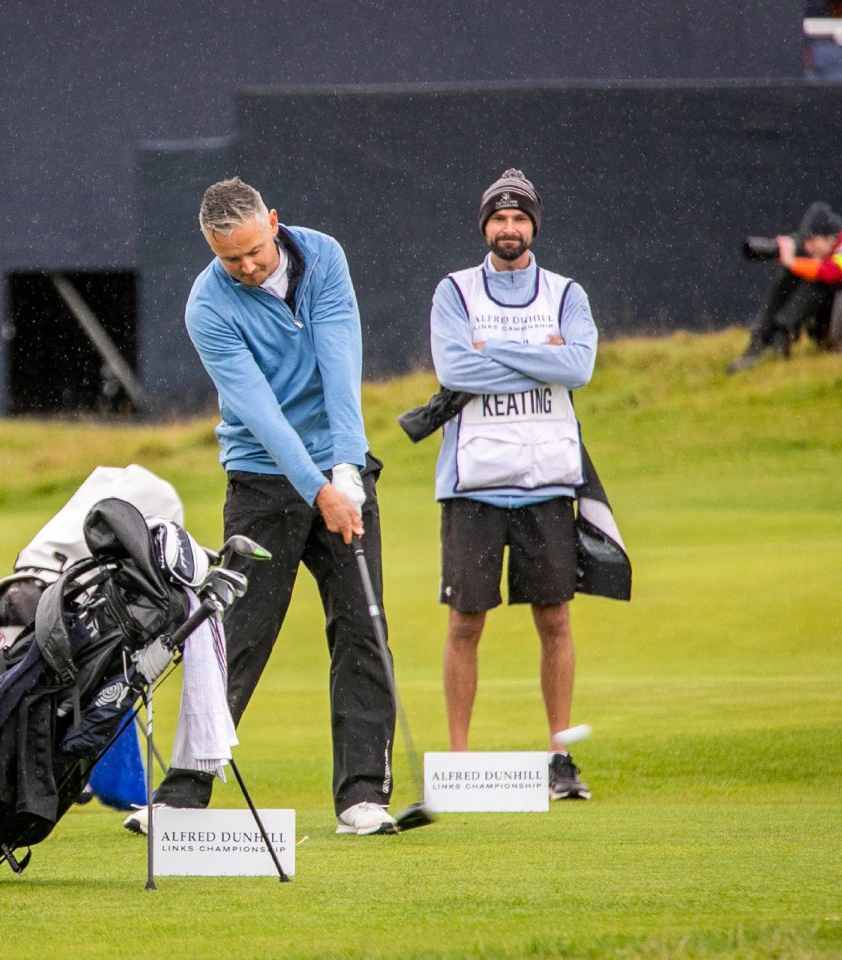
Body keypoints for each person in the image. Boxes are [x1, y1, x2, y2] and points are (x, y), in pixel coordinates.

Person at [123, 177, 398, 836]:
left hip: (338, 468)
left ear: (272, 222)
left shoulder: (324, 257)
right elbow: (262, 415)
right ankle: (181, 797)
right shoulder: (207, 308)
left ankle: (363, 797)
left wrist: (348, 472)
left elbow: (341, 367)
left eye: (253, 251)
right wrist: (319, 488)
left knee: (363, 630)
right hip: (262, 481)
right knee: (232, 639)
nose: (247, 267)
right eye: (230, 259)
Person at [428, 169, 598, 800]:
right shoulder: (454, 291)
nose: (509, 228)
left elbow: (578, 365)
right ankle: (460, 764)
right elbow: (452, 366)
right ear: (485, 226)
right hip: (472, 483)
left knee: (555, 619)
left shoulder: (565, 293)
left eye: (519, 218)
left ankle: (560, 759)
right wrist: (539, 358)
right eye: (498, 219)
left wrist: (490, 355)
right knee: (465, 623)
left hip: (546, 480)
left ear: (533, 225)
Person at [727, 201, 842, 373]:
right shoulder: (833, 247)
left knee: (820, 280)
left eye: (811, 241)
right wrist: (786, 249)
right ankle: (765, 337)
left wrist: (791, 261)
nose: (808, 247)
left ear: (829, 237)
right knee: (795, 273)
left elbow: (832, 272)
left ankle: (783, 333)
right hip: (841, 321)